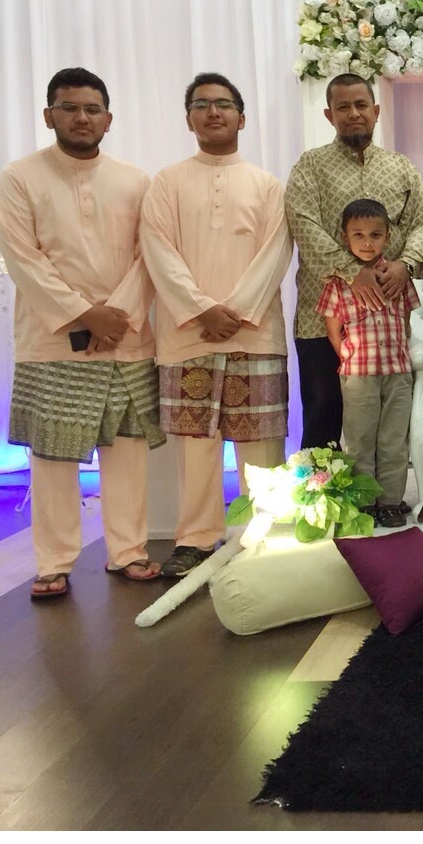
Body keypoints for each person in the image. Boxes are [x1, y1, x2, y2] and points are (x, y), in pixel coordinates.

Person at [0, 67, 165, 599]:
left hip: (124, 337)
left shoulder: (135, 180)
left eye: (92, 109)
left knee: (128, 450)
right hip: (51, 340)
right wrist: (85, 314)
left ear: (109, 119)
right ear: (49, 116)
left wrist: (116, 316)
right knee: (52, 457)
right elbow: (23, 259)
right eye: (69, 108)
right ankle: (53, 561)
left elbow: (149, 256)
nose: (81, 118)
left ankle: (128, 550)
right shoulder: (20, 177)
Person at [140, 72, 293, 577]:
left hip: (255, 332)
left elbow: (276, 253)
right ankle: (196, 538)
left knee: (260, 444)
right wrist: (201, 309)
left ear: (241, 118)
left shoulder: (267, 185)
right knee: (196, 445)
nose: (213, 112)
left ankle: (259, 533)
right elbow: (157, 250)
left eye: (223, 104)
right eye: (201, 104)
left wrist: (237, 311)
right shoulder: (166, 183)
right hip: (188, 333)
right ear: (188, 119)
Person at [284, 73, 423, 455]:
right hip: (322, 320)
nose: (353, 113)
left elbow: (422, 220)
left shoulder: (401, 167)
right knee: (323, 417)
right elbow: (303, 224)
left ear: (376, 111)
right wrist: (354, 273)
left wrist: (406, 265)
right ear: (329, 115)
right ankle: (320, 492)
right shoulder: (310, 167)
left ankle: (380, 490)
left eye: (361, 105)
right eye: (343, 107)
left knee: (385, 426)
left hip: (386, 323)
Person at [318, 198, 420, 528]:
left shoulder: (398, 278)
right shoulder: (338, 283)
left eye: (375, 235)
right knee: (359, 442)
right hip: (358, 375)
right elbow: (333, 331)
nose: (367, 242)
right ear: (344, 237)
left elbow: (406, 321)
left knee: (394, 441)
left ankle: (390, 502)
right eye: (358, 235)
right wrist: (350, 358)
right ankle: (363, 503)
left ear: (387, 237)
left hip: (397, 373)